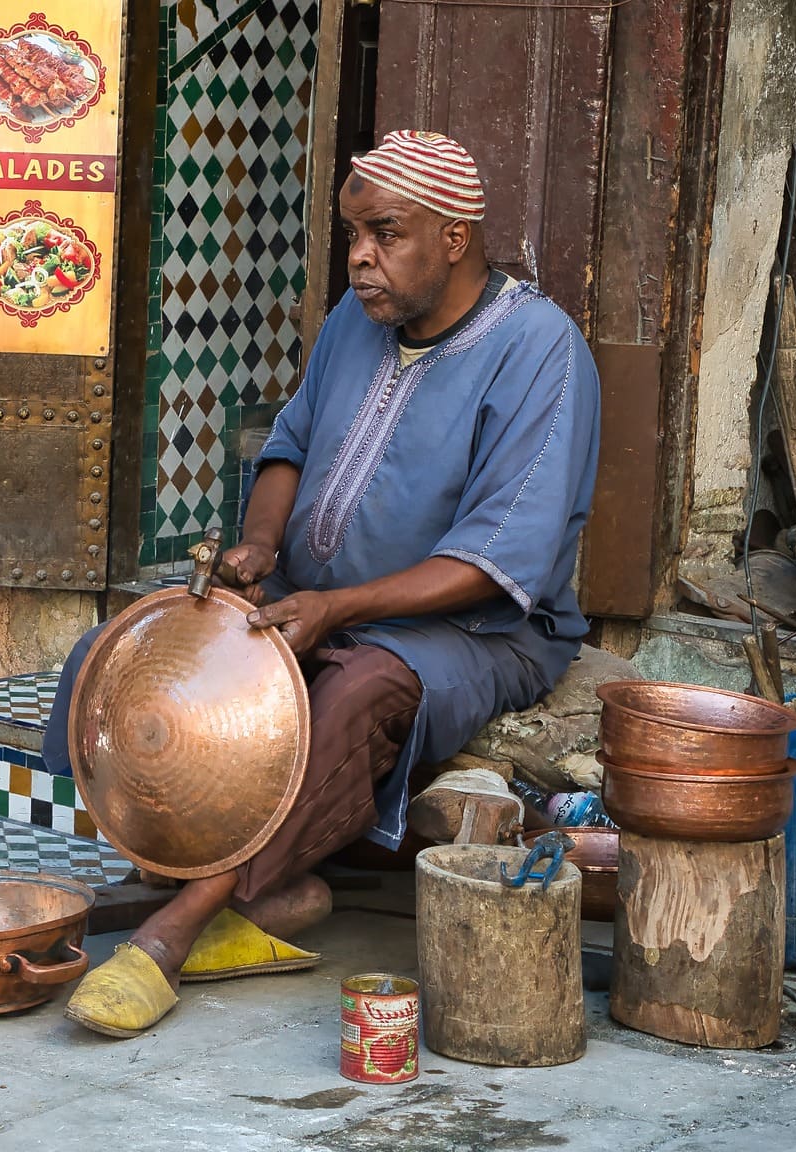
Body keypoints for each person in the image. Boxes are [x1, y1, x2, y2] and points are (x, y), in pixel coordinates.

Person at [54, 131, 602, 1038]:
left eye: (385, 234)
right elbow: (290, 447)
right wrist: (259, 549)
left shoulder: (540, 351)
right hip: (316, 598)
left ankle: (175, 930)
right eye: (353, 235)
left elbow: (498, 561)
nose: (360, 257)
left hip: (475, 633)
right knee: (131, 649)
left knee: (355, 691)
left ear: (455, 237)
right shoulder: (361, 318)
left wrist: (339, 610)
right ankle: (228, 880)